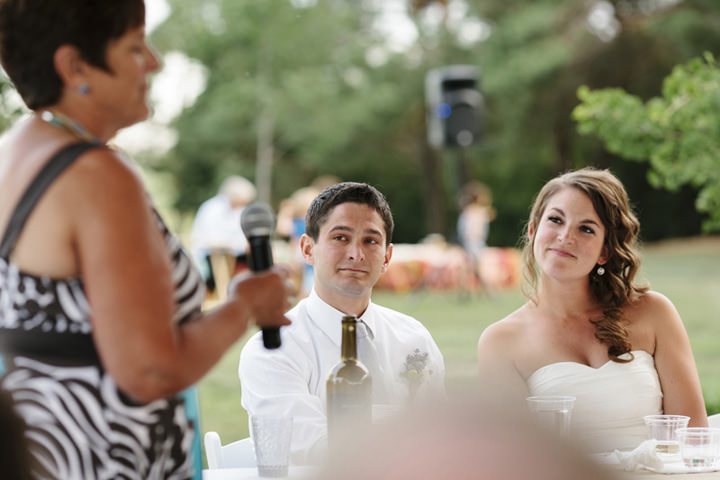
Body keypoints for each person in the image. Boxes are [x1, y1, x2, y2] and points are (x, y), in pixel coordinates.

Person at [0, 2, 291, 479]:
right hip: (108, 456)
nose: (153, 61)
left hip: (49, 451)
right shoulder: (97, 174)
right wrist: (245, 305)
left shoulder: (19, 150)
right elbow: (150, 371)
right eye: (135, 46)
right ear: (74, 66)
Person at [476, 167, 707, 452]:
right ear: (533, 229)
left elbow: (693, 433)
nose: (565, 236)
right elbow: (518, 460)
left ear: (604, 252)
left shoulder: (654, 312)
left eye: (586, 229)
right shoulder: (500, 342)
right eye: (555, 220)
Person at [239, 182, 446, 464]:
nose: (356, 254)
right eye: (340, 238)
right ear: (307, 248)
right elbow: (306, 442)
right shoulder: (273, 348)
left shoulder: (413, 337)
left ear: (387, 257)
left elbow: (440, 430)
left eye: (370, 241)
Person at [190, 175, 256, 291]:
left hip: (231, 255)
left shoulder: (238, 211)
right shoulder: (212, 209)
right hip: (210, 257)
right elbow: (210, 240)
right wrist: (238, 244)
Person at [456, 181, 495, 294]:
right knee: (474, 268)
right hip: (474, 242)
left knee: (473, 268)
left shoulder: (471, 211)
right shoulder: (477, 211)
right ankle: (486, 292)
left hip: (472, 242)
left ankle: (473, 292)